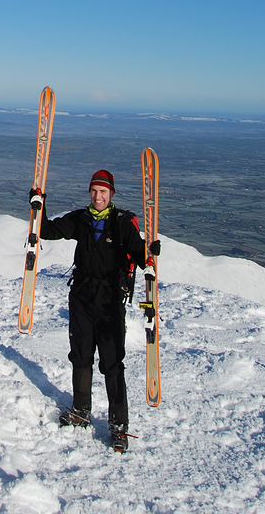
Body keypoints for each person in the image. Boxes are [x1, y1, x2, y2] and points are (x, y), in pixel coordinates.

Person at [35, 169, 160, 453]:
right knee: (80, 355)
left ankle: (118, 427)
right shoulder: (81, 219)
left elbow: (141, 257)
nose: (97, 196)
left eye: (103, 192)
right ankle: (80, 411)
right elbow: (48, 231)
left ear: (111, 194)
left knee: (112, 363)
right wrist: (39, 206)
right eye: (94, 191)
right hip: (81, 295)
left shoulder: (121, 224)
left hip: (110, 299)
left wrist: (151, 252)